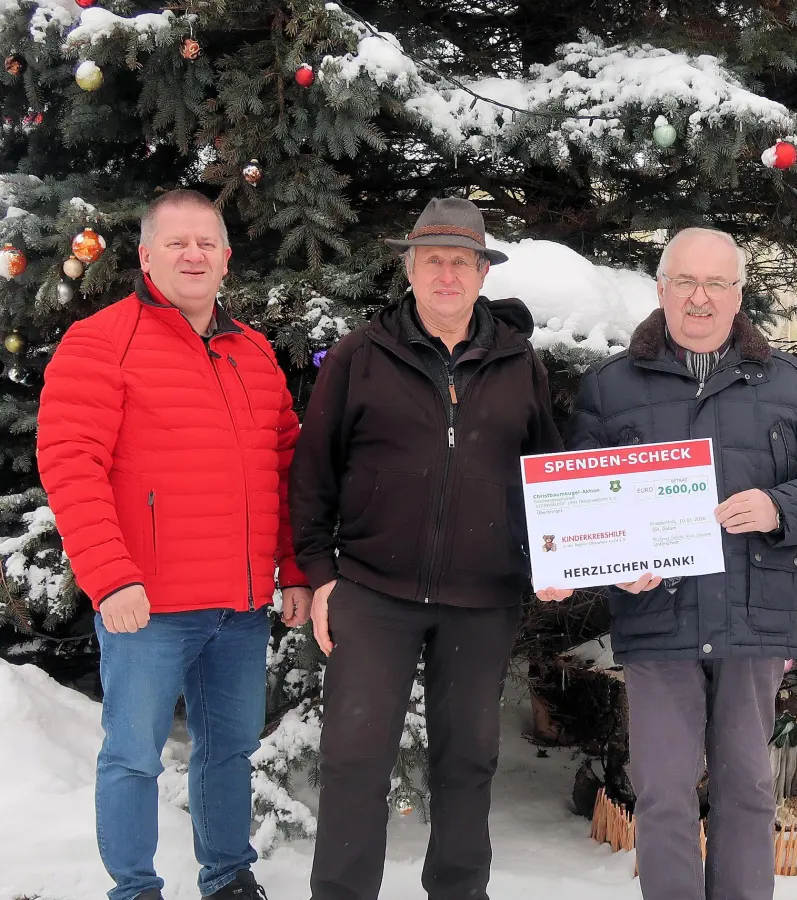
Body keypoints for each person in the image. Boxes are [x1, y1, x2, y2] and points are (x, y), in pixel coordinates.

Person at [565, 227, 797, 900]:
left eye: (716, 284)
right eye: (685, 282)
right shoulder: (611, 387)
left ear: (738, 295)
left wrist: (778, 505)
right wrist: (613, 561)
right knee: (665, 794)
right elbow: (578, 503)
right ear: (661, 289)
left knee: (747, 791)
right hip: (657, 620)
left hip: (750, 619)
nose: (699, 299)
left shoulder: (788, 383)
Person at [290, 197, 569, 900]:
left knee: (467, 761)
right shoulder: (360, 353)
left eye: (461, 262)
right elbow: (314, 471)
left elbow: (548, 474)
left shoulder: (517, 361)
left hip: (482, 599)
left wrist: (555, 563)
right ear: (409, 268)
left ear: (481, 273)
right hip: (374, 593)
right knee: (354, 759)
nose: (447, 275)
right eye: (432, 260)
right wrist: (321, 575)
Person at [38, 189, 311, 900]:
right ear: (147, 256)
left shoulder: (252, 352)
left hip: (241, 607)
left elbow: (284, 468)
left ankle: (228, 876)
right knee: (133, 757)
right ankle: (135, 889)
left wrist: (295, 570)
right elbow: (71, 463)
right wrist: (110, 577)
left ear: (225, 259)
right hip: (148, 606)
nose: (193, 254)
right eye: (177, 243)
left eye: (207, 243)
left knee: (229, 752)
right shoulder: (101, 342)